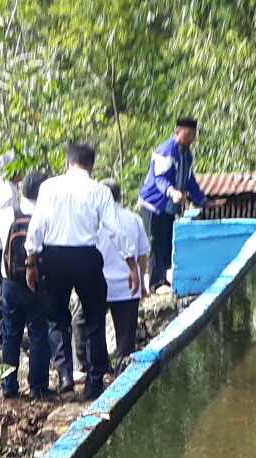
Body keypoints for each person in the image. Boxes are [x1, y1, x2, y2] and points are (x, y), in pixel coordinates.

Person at [26, 140, 115, 401]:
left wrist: (31, 262)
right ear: (91, 165)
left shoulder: (49, 187)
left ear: (66, 163)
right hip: (87, 256)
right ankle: (94, 382)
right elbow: (114, 228)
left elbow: (37, 226)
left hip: (54, 256)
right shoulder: (99, 190)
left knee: (56, 318)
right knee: (94, 318)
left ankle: (65, 374)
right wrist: (131, 264)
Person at [0, 171, 52, 399]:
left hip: (10, 282)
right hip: (39, 282)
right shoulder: (46, 215)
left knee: (10, 334)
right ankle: (38, 386)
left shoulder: (7, 214)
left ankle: (8, 385)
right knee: (38, 333)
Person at [139, 117, 207, 291]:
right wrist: (172, 192)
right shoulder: (167, 150)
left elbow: (189, 180)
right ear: (177, 133)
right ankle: (155, 284)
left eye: (193, 135)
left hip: (170, 206)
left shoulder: (187, 155)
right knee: (156, 244)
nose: (191, 138)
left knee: (168, 242)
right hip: (155, 204)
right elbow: (159, 178)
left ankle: (163, 281)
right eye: (188, 134)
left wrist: (203, 200)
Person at [99, 177, 149, 364]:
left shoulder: (93, 222)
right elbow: (141, 257)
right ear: (121, 197)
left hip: (99, 286)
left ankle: (91, 370)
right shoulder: (134, 219)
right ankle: (121, 373)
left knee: (88, 328)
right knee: (126, 340)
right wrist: (142, 285)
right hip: (129, 287)